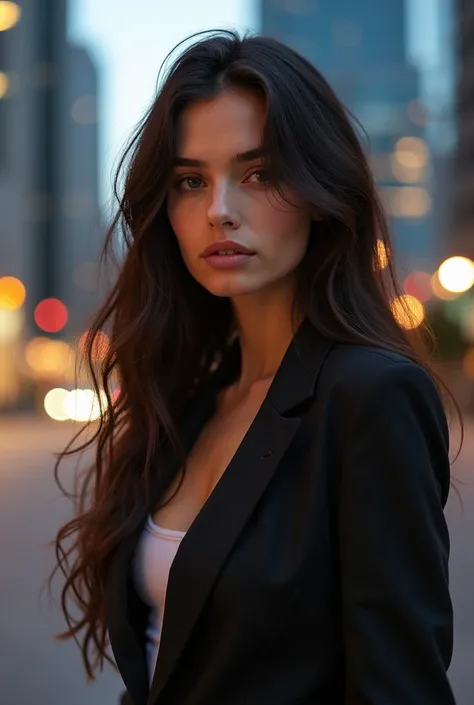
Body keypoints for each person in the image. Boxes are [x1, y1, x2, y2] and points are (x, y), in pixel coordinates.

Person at [49, 30, 460, 705]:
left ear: (319, 190)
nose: (219, 210)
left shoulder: (371, 397)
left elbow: (400, 686)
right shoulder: (188, 398)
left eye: (258, 173)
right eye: (190, 181)